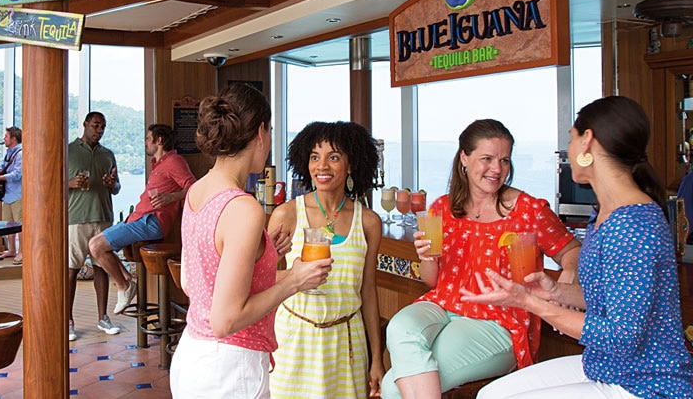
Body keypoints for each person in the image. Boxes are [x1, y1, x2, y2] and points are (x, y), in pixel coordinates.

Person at [463, 96, 693, 398]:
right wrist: (556, 292)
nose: (568, 151)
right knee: (489, 395)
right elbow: (617, 297)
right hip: (609, 367)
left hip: (647, 383)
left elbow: (622, 338)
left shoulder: (633, 226)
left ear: (587, 141)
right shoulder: (606, 213)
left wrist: (530, 303)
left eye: (571, 138)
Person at [382, 119, 582, 399]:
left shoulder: (528, 210)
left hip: (497, 320)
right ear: (464, 157)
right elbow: (432, 282)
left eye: (504, 160)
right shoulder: (442, 207)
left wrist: (569, 274)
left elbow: (571, 249)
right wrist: (427, 257)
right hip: (442, 306)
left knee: (394, 387)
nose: (497, 169)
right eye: (487, 158)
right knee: (400, 326)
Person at [170, 84, 331, 399]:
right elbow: (225, 320)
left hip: (193, 358)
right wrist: (295, 281)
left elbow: (195, 282)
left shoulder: (197, 191)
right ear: (260, 132)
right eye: (270, 131)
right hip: (230, 370)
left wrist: (261, 253)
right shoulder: (243, 208)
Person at [266, 121, 385, 398]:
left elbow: (368, 290)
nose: (322, 166)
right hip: (293, 337)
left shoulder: (368, 222)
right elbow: (263, 280)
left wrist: (376, 357)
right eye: (314, 157)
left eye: (333, 157)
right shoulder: (287, 215)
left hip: (346, 343)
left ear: (351, 164)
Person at [86, 123, 196, 316]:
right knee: (97, 245)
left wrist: (171, 197)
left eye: (147, 138)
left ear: (159, 140)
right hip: (138, 219)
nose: (145, 143)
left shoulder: (175, 161)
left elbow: (194, 188)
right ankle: (128, 281)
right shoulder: (158, 165)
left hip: (151, 221)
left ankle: (124, 286)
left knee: (96, 246)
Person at [66, 111, 122, 341]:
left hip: (103, 217)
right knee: (71, 269)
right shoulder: (67, 151)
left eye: (103, 127)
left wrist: (112, 184)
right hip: (75, 219)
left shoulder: (108, 154)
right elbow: (50, 184)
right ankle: (68, 320)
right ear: (85, 124)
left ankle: (103, 317)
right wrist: (69, 183)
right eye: (96, 125)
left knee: (102, 267)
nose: (99, 130)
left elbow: (117, 187)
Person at [0, 126, 23, 264]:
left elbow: (17, 174)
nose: (4, 139)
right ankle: (11, 250)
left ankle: (22, 251)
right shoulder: (8, 153)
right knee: (8, 224)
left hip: (18, 194)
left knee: (20, 225)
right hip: (8, 194)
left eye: (6, 136)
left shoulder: (21, 153)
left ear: (13, 138)